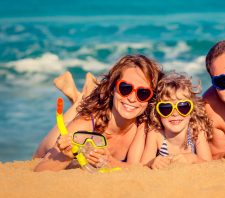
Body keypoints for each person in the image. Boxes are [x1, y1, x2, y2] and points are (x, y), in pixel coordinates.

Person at [34, 54, 163, 171]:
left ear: (151, 98)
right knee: (47, 147)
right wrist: (65, 156)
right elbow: (39, 169)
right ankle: (80, 98)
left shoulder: (143, 126)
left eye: (143, 93)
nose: (132, 98)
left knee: (85, 105)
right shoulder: (86, 123)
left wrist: (111, 162)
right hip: (74, 129)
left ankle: (82, 97)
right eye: (125, 88)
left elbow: (137, 168)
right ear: (112, 88)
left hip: (101, 111)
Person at [141, 72, 213, 169]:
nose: (175, 113)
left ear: (192, 110)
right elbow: (143, 164)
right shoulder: (156, 135)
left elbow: (209, 164)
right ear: (157, 112)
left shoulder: (196, 131)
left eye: (183, 107)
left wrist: (193, 158)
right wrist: (152, 162)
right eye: (166, 108)